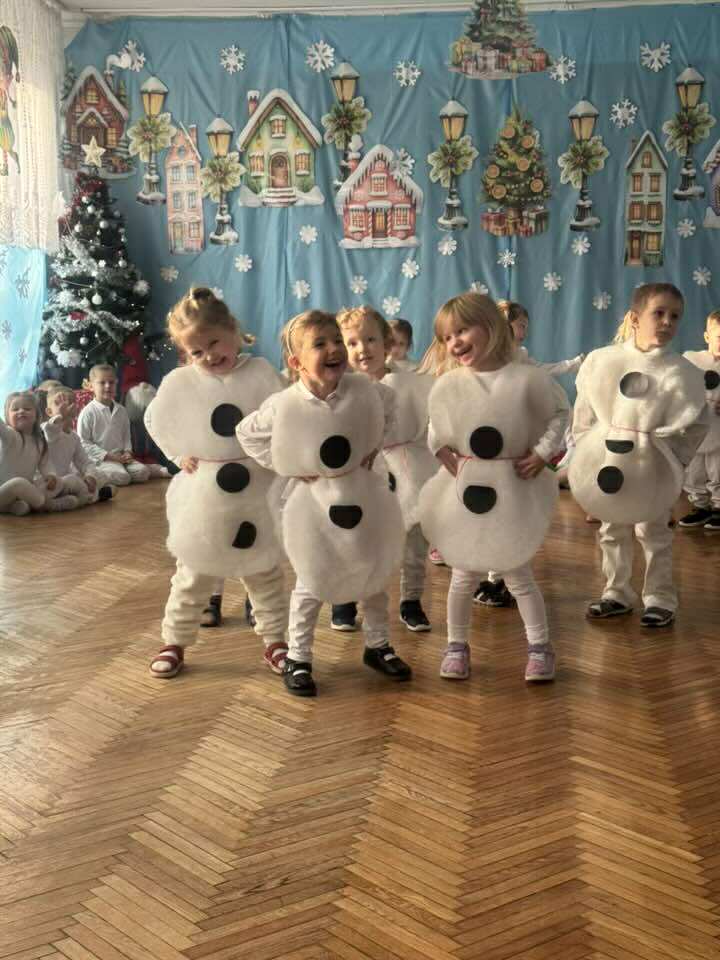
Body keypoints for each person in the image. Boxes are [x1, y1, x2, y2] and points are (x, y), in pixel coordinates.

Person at [238, 309, 411, 698]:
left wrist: (373, 446)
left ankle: (378, 645)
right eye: (320, 344)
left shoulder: (364, 389)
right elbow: (246, 434)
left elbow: (389, 405)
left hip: (361, 495)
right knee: (311, 579)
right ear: (296, 362)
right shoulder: (285, 404)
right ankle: (298, 657)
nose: (334, 348)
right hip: (313, 507)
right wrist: (289, 464)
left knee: (373, 573)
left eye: (337, 340)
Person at [418, 293, 569, 683]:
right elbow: (436, 424)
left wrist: (542, 453)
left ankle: (540, 647)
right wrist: (439, 449)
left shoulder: (526, 378)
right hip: (468, 489)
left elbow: (558, 414)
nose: (454, 342)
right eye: (447, 337)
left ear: (490, 327)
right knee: (463, 573)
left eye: (462, 331)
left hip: (512, 486)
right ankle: (456, 646)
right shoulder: (451, 383)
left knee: (517, 572)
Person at [144, 287, 289, 679]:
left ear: (233, 331)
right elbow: (155, 419)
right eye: (196, 351)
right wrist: (178, 454)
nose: (208, 356)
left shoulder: (261, 373)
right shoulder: (180, 382)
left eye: (213, 343)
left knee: (264, 572)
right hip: (205, 493)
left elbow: (287, 414)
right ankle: (174, 640)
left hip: (257, 491)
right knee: (193, 572)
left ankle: (276, 641)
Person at [569, 283, 708, 628]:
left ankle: (660, 597)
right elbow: (584, 412)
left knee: (654, 531)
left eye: (674, 316)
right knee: (612, 528)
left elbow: (697, 422)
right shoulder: (603, 361)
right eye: (658, 313)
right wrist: (587, 456)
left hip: (653, 466)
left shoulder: (683, 373)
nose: (667, 322)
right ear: (635, 318)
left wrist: (674, 461)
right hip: (610, 462)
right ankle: (616, 592)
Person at [475, 299, 584, 607]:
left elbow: (557, 403)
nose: (523, 331)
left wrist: (542, 453)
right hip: (487, 460)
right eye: (519, 324)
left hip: (517, 457)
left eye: (525, 326)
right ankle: (496, 579)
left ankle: (505, 580)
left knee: (510, 520)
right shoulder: (479, 363)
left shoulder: (522, 362)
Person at [336, 305, 436, 633]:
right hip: (361, 472)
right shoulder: (341, 387)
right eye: (352, 343)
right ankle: (346, 598)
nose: (362, 349)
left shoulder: (412, 382)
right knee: (355, 538)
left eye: (370, 340)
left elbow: (428, 424)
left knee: (413, 542)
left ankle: (411, 600)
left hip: (408, 467)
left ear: (387, 344)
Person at [77, 364, 167, 486]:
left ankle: (141, 469)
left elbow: (126, 436)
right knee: (122, 477)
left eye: (111, 382)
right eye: (102, 383)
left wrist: (128, 452)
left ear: (116, 383)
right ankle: (94, 474)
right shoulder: (88, 413)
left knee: (142, 472)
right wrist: (110, 456)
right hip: (102, 460)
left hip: (122, 457)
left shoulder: (121, 410)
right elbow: (84, 443)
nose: (108, 386)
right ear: (91, 386)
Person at [0, 391, 78, 514]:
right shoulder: (9, 436)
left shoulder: (39, 441)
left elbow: (45, 464)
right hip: (5, 490)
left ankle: (16, 507)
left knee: (58, 482)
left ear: (36, 415)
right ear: (7, 417)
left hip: (21, 493)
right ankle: (49, 505)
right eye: (15, 409)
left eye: (27, 409)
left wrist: (51, 476)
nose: (21, 411)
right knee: (19, 483)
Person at [678, 308, 720, 532]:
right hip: (694, 429)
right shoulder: (692, 361)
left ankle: (719, 506)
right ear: (707, 336)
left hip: (718, 431)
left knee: (717, 470)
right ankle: (700, 506)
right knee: (694, 471)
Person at [42, 385, 115, 505]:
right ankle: (90, 497)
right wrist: (59, 416)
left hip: (64, 481)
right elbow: (51, 434)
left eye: (71, 402)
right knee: (73, 481)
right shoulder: (46, 428)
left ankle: (81, 496)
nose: (66, 406)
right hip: (48, 482)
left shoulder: (74, 437)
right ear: (49, 412)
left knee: (100, 475)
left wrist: (90, 476)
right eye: (59, 403)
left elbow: (84, 462)